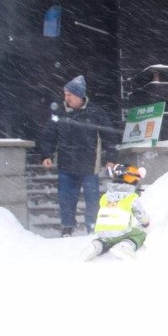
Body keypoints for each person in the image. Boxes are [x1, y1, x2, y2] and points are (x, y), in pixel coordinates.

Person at [40, 75, 116, 236]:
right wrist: (46, 155)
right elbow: (49, 135)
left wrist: (111, 158)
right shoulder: (59, 113)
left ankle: (92, 227)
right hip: (66, 165)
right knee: (66, 198)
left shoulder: (96, 112)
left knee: (92, 199)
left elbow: (109, 136)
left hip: (90, 165)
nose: (66, 98)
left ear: (80, 95)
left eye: (70, 94)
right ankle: (67, 227)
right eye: (65, 94)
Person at [81, 164, 150, 261]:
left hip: (102, 231)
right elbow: (141, 215)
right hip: (121, 231)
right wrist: (146, 223)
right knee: (140, 234)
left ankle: (96, 246)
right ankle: (125, 246)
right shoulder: (131, 197)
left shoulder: (105, 197)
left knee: (107, 240)